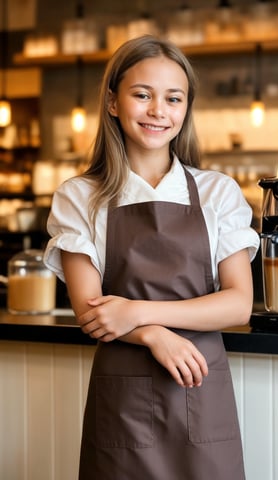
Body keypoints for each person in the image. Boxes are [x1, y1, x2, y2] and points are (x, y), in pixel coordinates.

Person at [44, 34, 259, 480]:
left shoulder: (218, 192)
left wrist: (137, 312)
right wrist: (155, 336)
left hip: (201, 390)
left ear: (186, 108)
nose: (159, 110)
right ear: (113, 102)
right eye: (142, 95)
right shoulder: (79, 197)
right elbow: (90, 310)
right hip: (123, 405)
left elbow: (238, 304)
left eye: (173, 98)